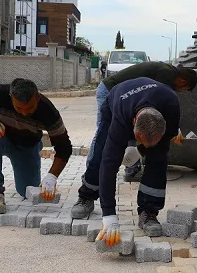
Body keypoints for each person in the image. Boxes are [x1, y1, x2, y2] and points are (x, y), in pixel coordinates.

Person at [72, 77, 180, 240]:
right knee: (101, 153)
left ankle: (148, 212)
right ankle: (86, 195)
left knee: (158, 158)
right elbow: (110, 164)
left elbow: (169, 135)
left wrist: (141, 149)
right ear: (135, 130)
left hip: (158, 102)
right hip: (116, 102)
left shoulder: (172, 104)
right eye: (141, 141)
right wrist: (109, 216)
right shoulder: (121, 118)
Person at [0, 78, 72, 214]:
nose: (24, 113)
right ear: (10, 98)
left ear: (38, 98)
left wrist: (52, 176)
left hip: (26, 146)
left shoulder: (49, 113)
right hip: (1, 137)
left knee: (26, 190)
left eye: (30, 108)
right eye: (19, 108)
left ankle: (32, 153)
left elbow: (64, 147)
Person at [89, 62, 197, 180]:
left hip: (123, 93)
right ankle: (92, 170)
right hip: (109, 90)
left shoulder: (168, 71)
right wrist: (173, 128)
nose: (180, 92)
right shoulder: (166, 75)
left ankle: (132, 170)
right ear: (182, 82)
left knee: (133, 126)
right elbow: (158, 105)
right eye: (184, 90)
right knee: (103, 132)